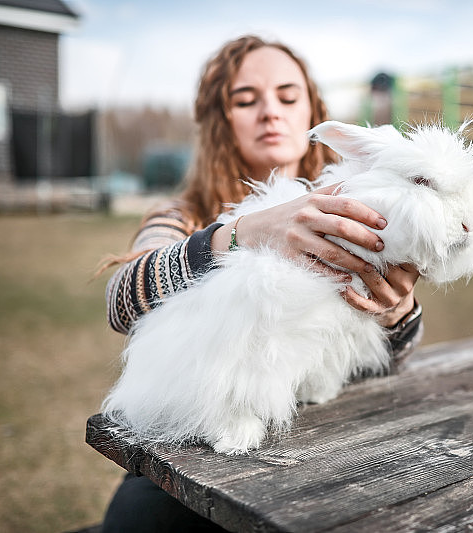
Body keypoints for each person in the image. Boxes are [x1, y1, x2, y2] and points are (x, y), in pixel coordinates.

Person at [101, 35, 423, 532]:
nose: (270, 111)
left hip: (319, 440)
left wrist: (393, 311)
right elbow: (124, 298)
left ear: (313, 112)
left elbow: (393, 359)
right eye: (246, 100)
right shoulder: (182, 216)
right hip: (197, 448)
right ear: (221, 122)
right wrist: (242, 234)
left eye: (288, 96)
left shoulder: (356, 210)